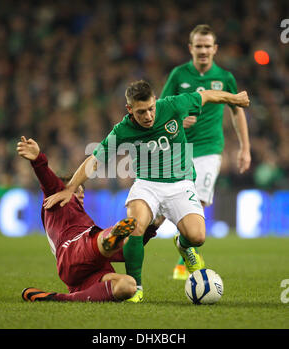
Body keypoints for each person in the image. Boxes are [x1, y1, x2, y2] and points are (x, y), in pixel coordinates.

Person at [43, 80, 250, 302]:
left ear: (155, 102)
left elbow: (207, 95)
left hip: (180, 183)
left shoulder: (172, 105)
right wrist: (71, 188)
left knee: (197, 237)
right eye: (141, 112)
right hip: (147, 185)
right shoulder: (123, 129)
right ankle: (137, 288)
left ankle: (183, 245)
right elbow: (95, 158)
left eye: (151, 109)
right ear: (130, 109)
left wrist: (234, 98)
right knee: (134, 226)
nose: (149, 116)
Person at [160, 24, 251, 280]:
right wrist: (178, 120)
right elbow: (162, 109)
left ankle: (184, 256)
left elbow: (237, 111)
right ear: (191, 48)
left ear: (215, 49)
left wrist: (245, 147)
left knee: (197, 203)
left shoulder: (225, 77)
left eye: (207, 46)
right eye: (198, 46)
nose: (203, 50)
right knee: (161, 213)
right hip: (180, 148)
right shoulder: (179, 75)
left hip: (210, 149)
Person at [17, 136, 139, 302]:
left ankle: (60, 298)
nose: (80, 194)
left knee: (128, 286)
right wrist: (38, 160)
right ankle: (112, 236)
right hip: (73, 250)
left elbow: (122, 255)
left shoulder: (82, 220)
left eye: (82, 191)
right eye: (76, 191)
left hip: (85, 272)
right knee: (104, 237)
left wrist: (143, 236)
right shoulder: (57, 202)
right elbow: (49, 182)